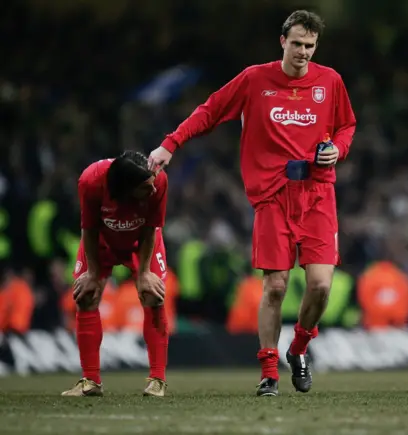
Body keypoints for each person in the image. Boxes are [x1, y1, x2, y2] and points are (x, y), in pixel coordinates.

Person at [147, 10, 356, 396]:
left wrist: (337, 150)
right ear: (282, 41)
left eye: (310, 46)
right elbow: (209, 111)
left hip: (318, 194)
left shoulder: (330, 81)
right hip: (273, 197)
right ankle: (269, 372)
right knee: (275, 287)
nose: (303, 53)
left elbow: (346, 126)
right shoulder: (255, 79)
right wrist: (169, 144)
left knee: (322, 287)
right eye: (297, 44)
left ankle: (299, 349)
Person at [62, 151, 170, 397]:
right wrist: (92, 272)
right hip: (100, 241)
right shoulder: (90, 181)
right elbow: (88, 228)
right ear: (126, 189)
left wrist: (143, 273)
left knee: (153, 294)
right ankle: (90, 381)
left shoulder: (159, 180)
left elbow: (152, 227)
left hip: (142, 242)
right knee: (86, 296)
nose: (152, 191)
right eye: (145, 188)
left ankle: (157, 380)